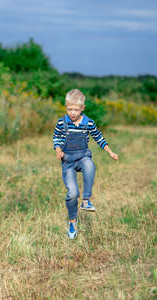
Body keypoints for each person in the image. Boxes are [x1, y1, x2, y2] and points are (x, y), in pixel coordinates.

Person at [53, 89, 118, 239]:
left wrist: (110, 152)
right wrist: (58, 150)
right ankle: (72, 221)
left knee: (90, 165)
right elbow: (56, 138)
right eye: (70, 109)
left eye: (76, 109)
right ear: (66, 107)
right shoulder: (62, 122)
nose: (73, 113)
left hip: (83, 157)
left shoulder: (88, 123)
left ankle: (86, 200)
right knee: (72, 194)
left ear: (82, 108)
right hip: (68, 161)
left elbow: (98, 137)